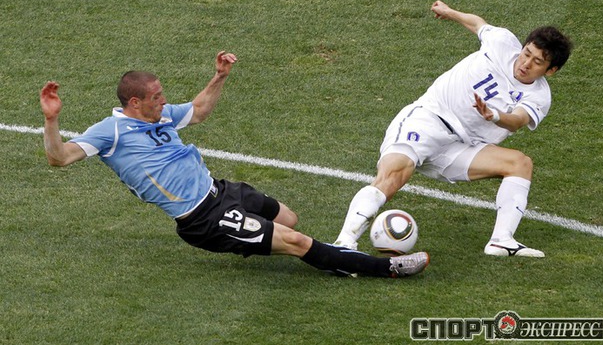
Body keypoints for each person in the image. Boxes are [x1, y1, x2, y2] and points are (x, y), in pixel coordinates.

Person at [40, 50, 429, 278]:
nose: (164, 100)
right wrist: (52, 119)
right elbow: (60, 158)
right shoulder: (111, 131)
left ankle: (278, 244)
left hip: (222, 191)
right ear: (134, 103)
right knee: (297, 243)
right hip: (202, 219)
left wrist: (219, 76)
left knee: (289, 220)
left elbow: (198, 111)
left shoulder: (160, 115)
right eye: (156, 97)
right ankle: (379, 268)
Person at [334, 0, 573, 258]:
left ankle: (501, 241)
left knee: (520, 164)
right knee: (393, 176)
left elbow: (517, 120)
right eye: (526, 53)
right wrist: (449, 13)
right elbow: (478, 24)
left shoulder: (539, 96)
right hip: (428, 120)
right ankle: (344, 243)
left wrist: (494, 115)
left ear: (551, 71)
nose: (526, 63)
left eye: (537, 62)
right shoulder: (503, 42)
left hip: (462, 146)